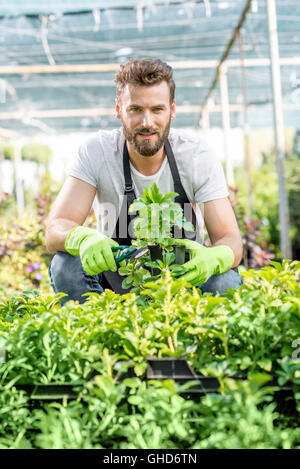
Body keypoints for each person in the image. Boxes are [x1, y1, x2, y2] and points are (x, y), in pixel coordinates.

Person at [45, 58, 243, 305]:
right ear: (119, 109)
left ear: (172, 110)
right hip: (115, 286)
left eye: (157, 109)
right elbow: (55, 229)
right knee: (65, 264)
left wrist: (216, 257)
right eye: (135, 109)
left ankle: (198, 340)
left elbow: (231, 239)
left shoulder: (196, 156)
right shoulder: (97, 152)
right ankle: (95, 336)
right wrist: (82, 238)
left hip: (182, 284)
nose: (147, 122)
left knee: (224, 280)